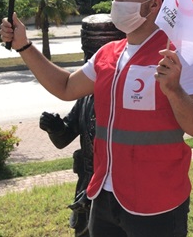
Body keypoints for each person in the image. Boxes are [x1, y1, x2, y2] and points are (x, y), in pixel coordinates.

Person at [0, 0, 193, 236]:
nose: (116, 2)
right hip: (103, 195)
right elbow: (65, 87)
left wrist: (174, 90)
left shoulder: (177, 57)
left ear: (153, 5)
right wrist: (24, 46)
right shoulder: (106, 54)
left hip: (157, 201)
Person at [39, 14, 125, 237]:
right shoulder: (85, 96)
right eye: (88, 56)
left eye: (97, 55)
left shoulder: (128, 94)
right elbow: (63, 139)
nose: (92, 63)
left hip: (120, 187)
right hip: (86, 185)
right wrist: (55, 127)